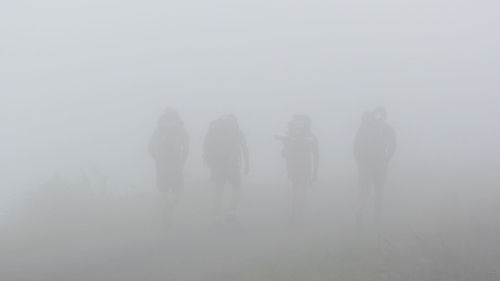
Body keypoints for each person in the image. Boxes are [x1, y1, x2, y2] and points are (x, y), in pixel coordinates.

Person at [354, 107, 396, 225]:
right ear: (384, 116)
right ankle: (376, 217)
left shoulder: (364, 127)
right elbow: (393, 144)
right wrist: (387, 158)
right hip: (380, 164)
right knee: (379, 191)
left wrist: (360, 162)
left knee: (364, 190)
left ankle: (359, 210)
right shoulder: (387, 128)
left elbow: (355, 146)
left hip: (365, 165)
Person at [204, 115, 249, 221]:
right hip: (233, 165)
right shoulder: (238, 133)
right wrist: (247, 164)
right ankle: (232, 211)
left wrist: (209, 161)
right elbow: (245, 148)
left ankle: (216, 214)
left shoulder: (216, 132)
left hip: (218, 164)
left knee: (218, 189)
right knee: (236, 187)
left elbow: (207, 145)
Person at [149, 108, 189, 226]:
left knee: (163, 190)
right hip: (176, 163)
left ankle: (166, 211)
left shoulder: (159, 129)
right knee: (178, 190)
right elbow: (186, 148)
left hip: (161, 163)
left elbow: (150, 147)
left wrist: (156, 158)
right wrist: (182, 161)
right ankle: (169, 210)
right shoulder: (181, 130)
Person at [276, 115, 319, 224]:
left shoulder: (289, 135)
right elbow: (316, 154)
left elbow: (284, 153)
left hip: (292, 167)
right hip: (305, 166)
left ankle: (293, 210)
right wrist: (315, 172)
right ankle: (299, 210)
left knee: (293, 188)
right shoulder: (311, 137)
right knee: (302, 189)